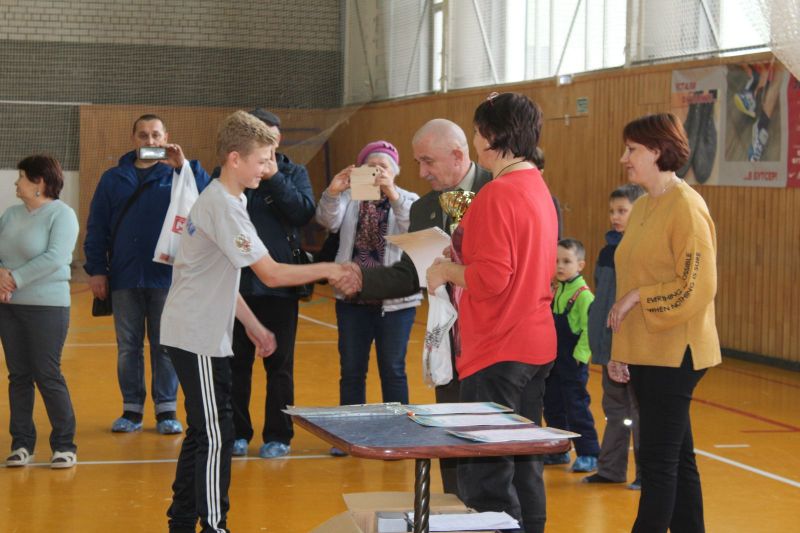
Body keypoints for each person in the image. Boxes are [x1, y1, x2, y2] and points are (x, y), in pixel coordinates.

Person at [159, 110, 347, 533]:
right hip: (195, 334)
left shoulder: (233, 200)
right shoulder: (223, 206)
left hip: (202, 331)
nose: (268, 168)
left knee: (203, 431)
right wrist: (329, 269)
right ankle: (214, 524)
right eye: (263, 160)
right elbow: (272, 274)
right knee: (216, 434)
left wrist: (253, 325)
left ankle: (181, 520)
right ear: (234, 159)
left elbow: (222, 276)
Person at [333, 118, 493, 489]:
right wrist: (361, 279)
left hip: (497, 343)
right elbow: (411, 273)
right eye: (418, 162)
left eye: (427, 162)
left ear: (457, 155)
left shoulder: (497, 190)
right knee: (452, 442)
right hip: (450, 343)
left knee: (498, 450)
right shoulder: (424, 208)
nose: (421, 173)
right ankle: (455, 506)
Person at [426, 92, 558, 533]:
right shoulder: (536, 186)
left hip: (498, 346)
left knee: (486, 475)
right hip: (533, 343)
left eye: (478, 131)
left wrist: (446, 270)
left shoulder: (497, 192)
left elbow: (492, 278)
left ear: (492, 136)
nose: (476, 139)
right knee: (522, 459)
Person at [607, 113, 721, 533]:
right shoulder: (642, 206)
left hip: (675, 354)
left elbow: (696, 286)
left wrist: (642, 296)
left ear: (657, 151)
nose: (625, 158)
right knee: (677, 460)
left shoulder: (687, 208)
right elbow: (628, 281)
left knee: (657, 463)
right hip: (646, 352)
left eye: (632, 149)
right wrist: (621, 351)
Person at [84, 114, 211, 434]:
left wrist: (184, 167)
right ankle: (132, 409)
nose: (150, 141)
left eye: (156, 135)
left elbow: (210, 199)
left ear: (166, 137)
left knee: (165, 345)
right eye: (143, 135)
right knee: (128, 346)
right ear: (133, 139)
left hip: (167, 277)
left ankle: (166, 410)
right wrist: (97, 270)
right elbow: (97, 227)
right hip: (124, 277)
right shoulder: (113, 179)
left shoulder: (180, 173)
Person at [215, 109, 316, 460]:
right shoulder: (230, 173)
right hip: (237, 284)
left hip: (280, 286)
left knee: (280, 366)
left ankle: (278, 434)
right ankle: (237, 433)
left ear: (278, 139)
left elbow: (303, 213)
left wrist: (274, 178)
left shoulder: (293, 173)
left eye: (270, 136)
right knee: (236, 365)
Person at [315, 141, 421, 422]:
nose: (376, 171)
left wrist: (392, 194)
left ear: (395, 171)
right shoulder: (350, 198)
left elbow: (412, 230)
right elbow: (327, 221)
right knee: (351, 370)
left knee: (393, 369)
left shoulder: (408, 199)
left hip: (396, 302)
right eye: (370, 166)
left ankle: (398, 428)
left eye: (383, 167)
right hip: (352, 298)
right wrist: (333, 192)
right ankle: (351, 429)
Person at [0, 155, 79, 469]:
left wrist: (14, 279)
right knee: (18, 376)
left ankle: (64, 445)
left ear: (39, 182)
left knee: (47, 374)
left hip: (48, 307)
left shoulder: (62, 215)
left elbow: (56, 257)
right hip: (9, 308)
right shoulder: (10, 214)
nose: (16, 182)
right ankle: (21, 444)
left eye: (21, 176)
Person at [583, 184, 644, 489]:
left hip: (632, 347)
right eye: (612, 211)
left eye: (622, 211)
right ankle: (611, 469)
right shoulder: (608, 251)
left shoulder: (641, 252)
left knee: (639, 412)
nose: (615, 217)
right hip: (608, 345)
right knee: (614, 410)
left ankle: (646, 473)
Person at [542, 238, 600, 473]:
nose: (560, 266)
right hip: (553, 361)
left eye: (566, 261)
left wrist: (581, 354)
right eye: (556, 261)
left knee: (576, 406)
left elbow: (589, 329)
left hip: (572, 361)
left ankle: (589, 453)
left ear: (580, 265)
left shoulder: (584, 295)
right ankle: (559, 450)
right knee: (552, 405)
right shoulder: (556, 289)